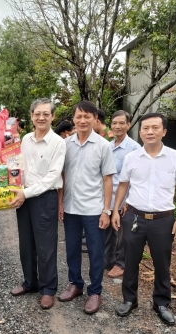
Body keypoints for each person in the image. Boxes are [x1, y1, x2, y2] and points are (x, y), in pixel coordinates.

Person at [112, 112, 176, 326]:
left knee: (162, 263)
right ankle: (129, 300)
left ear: (164, 131)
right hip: (134, 218)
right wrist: (115, 211)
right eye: (145, 128)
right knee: (130, 261)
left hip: (164, 220)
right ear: (140, 132)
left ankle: (161, 303)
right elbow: (123, 185)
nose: (150, 132)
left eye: (155, 128)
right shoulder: (132, 158)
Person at [58, 100, 116, 314]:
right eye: (78, 116)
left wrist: (106, 210)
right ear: (73, 119)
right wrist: (60, 204)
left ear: (95, 119)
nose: (82, 120)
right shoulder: (66, 145)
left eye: (87, 116)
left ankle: (95, 291)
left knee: (95, 252)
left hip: (94, 210)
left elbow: (108, 180)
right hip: (71, 207)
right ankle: (75, 284)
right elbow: (62, 176)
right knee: (72, 249)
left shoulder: (103, 146)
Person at [9, 98, 66, 310]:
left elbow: (53, 177)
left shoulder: (58, 143)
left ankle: (48, 288)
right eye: (37, 114)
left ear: (52, 117)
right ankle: (30, 282)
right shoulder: (25, 139)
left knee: (46, 246)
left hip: (44, 198)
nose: (41, 117)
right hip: (24, 197)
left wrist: (25, 192)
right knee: (26, 243)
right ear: (32, 116)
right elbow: (20, 168)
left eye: (46, 114)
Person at [104, 111, 141, 278]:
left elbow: (137, 177)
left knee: (121, 234)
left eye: (121, 123)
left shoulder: (134, 148)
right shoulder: (108, 146)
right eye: (114, 123)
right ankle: (108, 261)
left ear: (128, 125)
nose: (117, 126)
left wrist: (129, 201)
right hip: (107, 198)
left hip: (123, 199)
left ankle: (121, 263)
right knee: (107, 233)